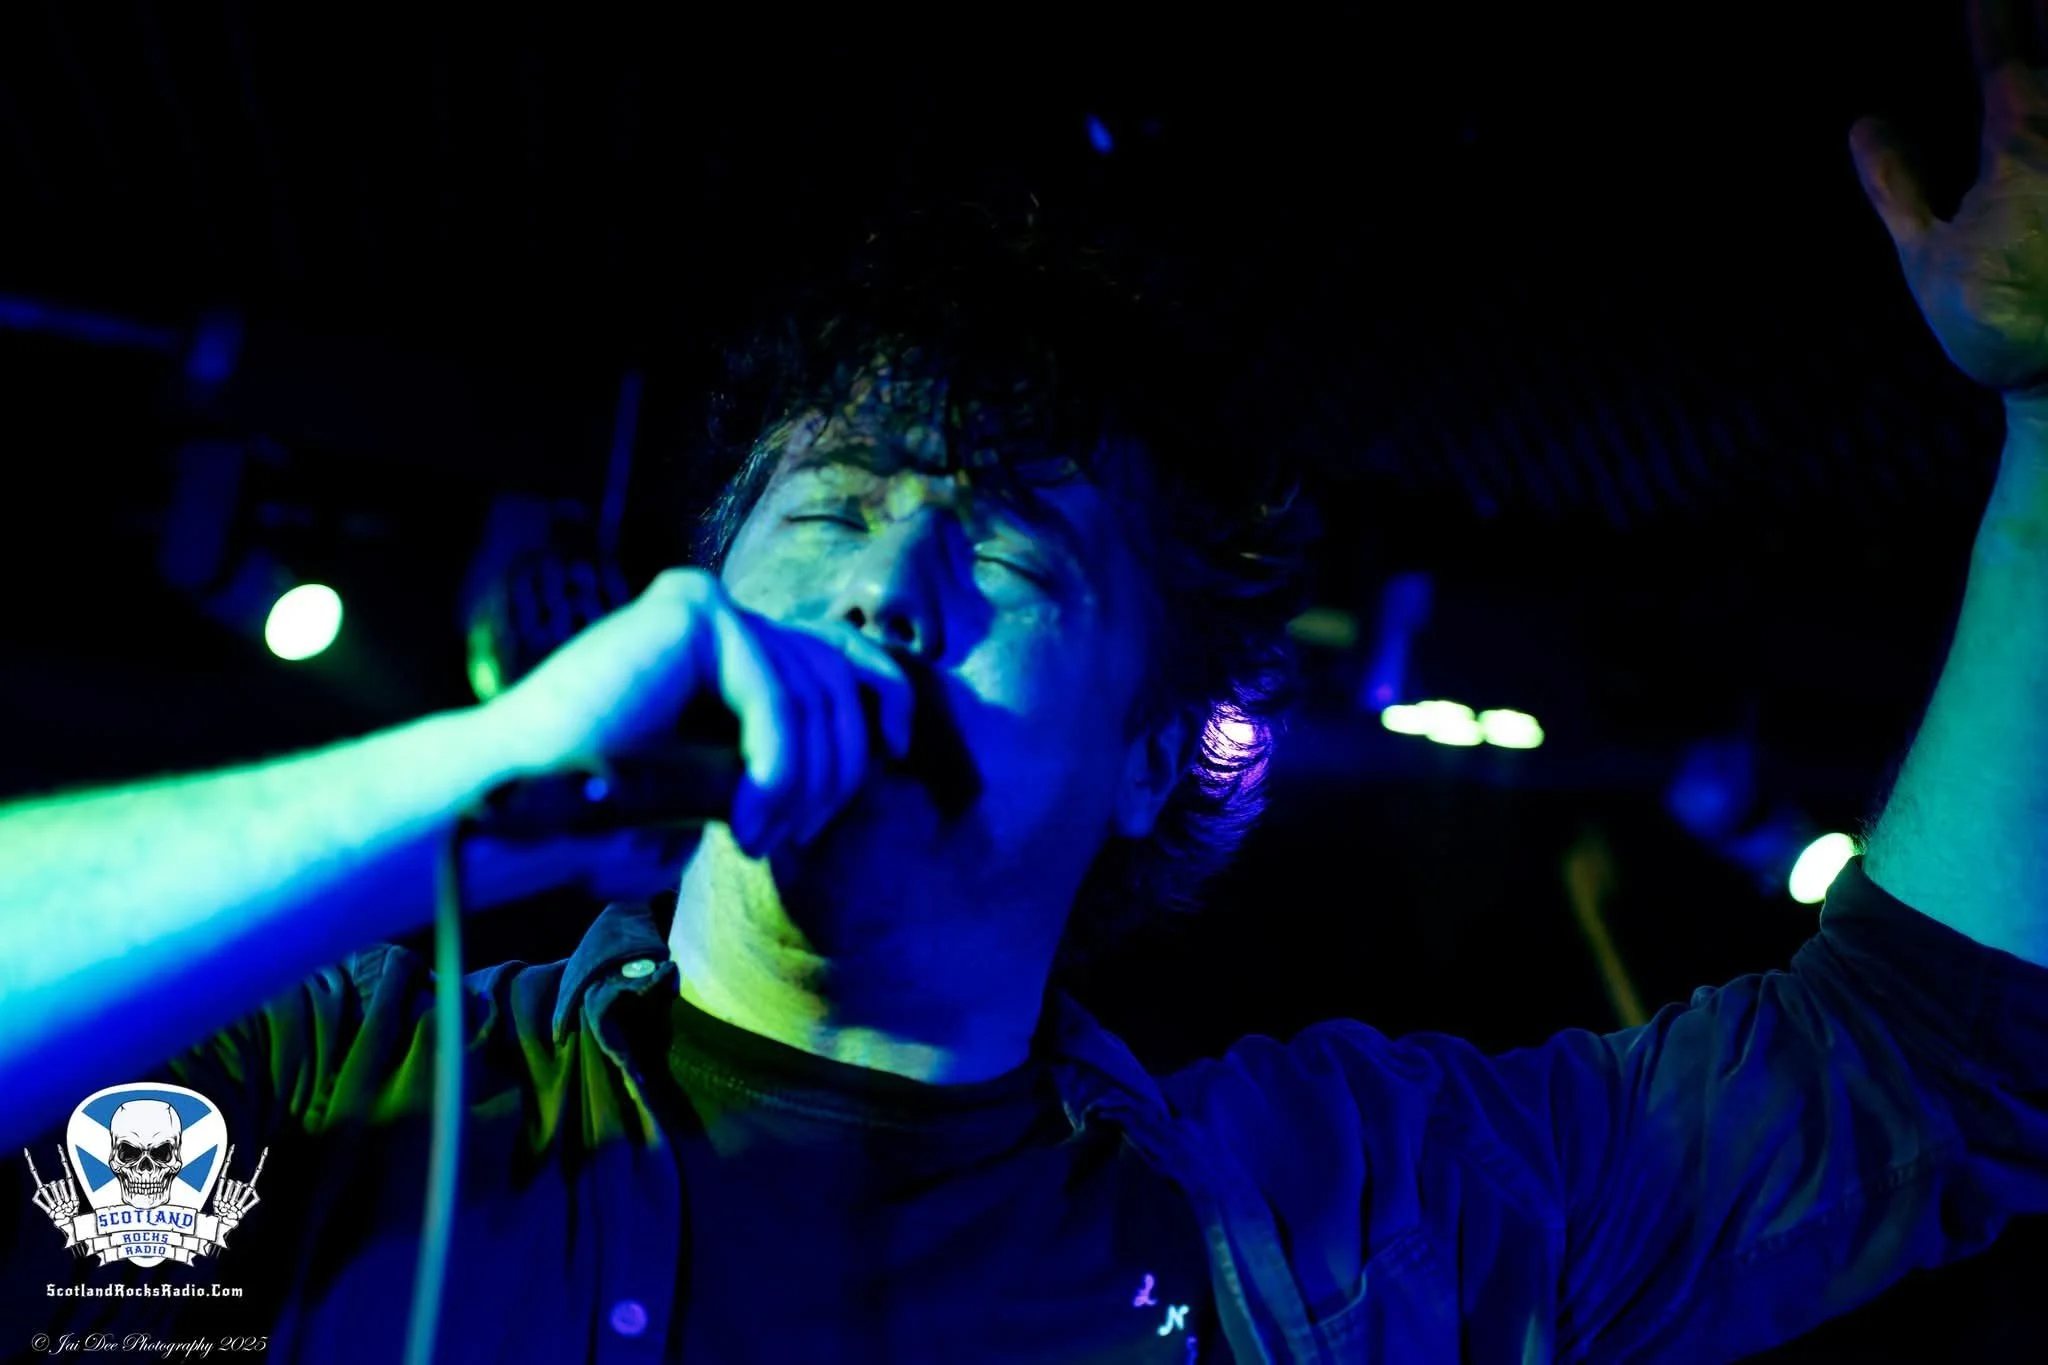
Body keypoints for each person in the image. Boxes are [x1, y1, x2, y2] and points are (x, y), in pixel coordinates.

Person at [8, 3, 2048, 1357]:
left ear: (1157, 753)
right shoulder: (336, 1078)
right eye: (827, 511)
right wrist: (475, 780)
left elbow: (1918, 1070)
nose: (889, 587)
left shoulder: (1347, 1220)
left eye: (1004, 554)